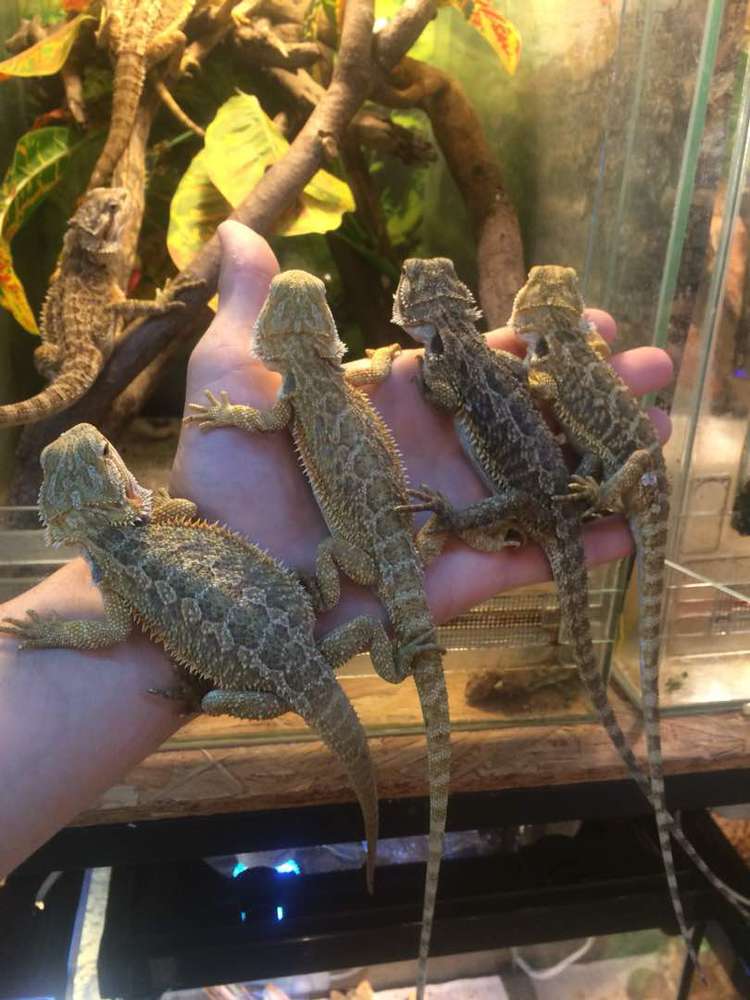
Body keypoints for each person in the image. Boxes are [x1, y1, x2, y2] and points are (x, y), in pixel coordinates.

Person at [0, 221, 673, 876]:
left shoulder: (303, 400)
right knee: (362, 625)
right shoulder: (334, 390)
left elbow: (262, 435)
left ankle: (392, 654)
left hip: (353, 569)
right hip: (359, 569)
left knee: (361, 623)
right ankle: (394, 653)